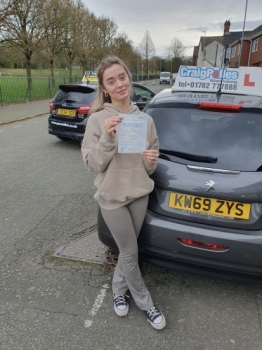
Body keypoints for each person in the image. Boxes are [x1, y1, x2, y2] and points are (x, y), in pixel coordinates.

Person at [81, 56, 166, 330]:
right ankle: (146, 304)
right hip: (112, 199)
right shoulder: (97, 121)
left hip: (139, 194)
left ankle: (118, 291)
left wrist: (151, 160)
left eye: (122, 77)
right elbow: (92, 165)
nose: (119, 84)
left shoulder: (145, 120)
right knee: (130, 251)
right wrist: (107, 138)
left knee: (127, 252)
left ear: (129, 78)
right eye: (111, 80)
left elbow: (149, 166)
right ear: (104, 88)